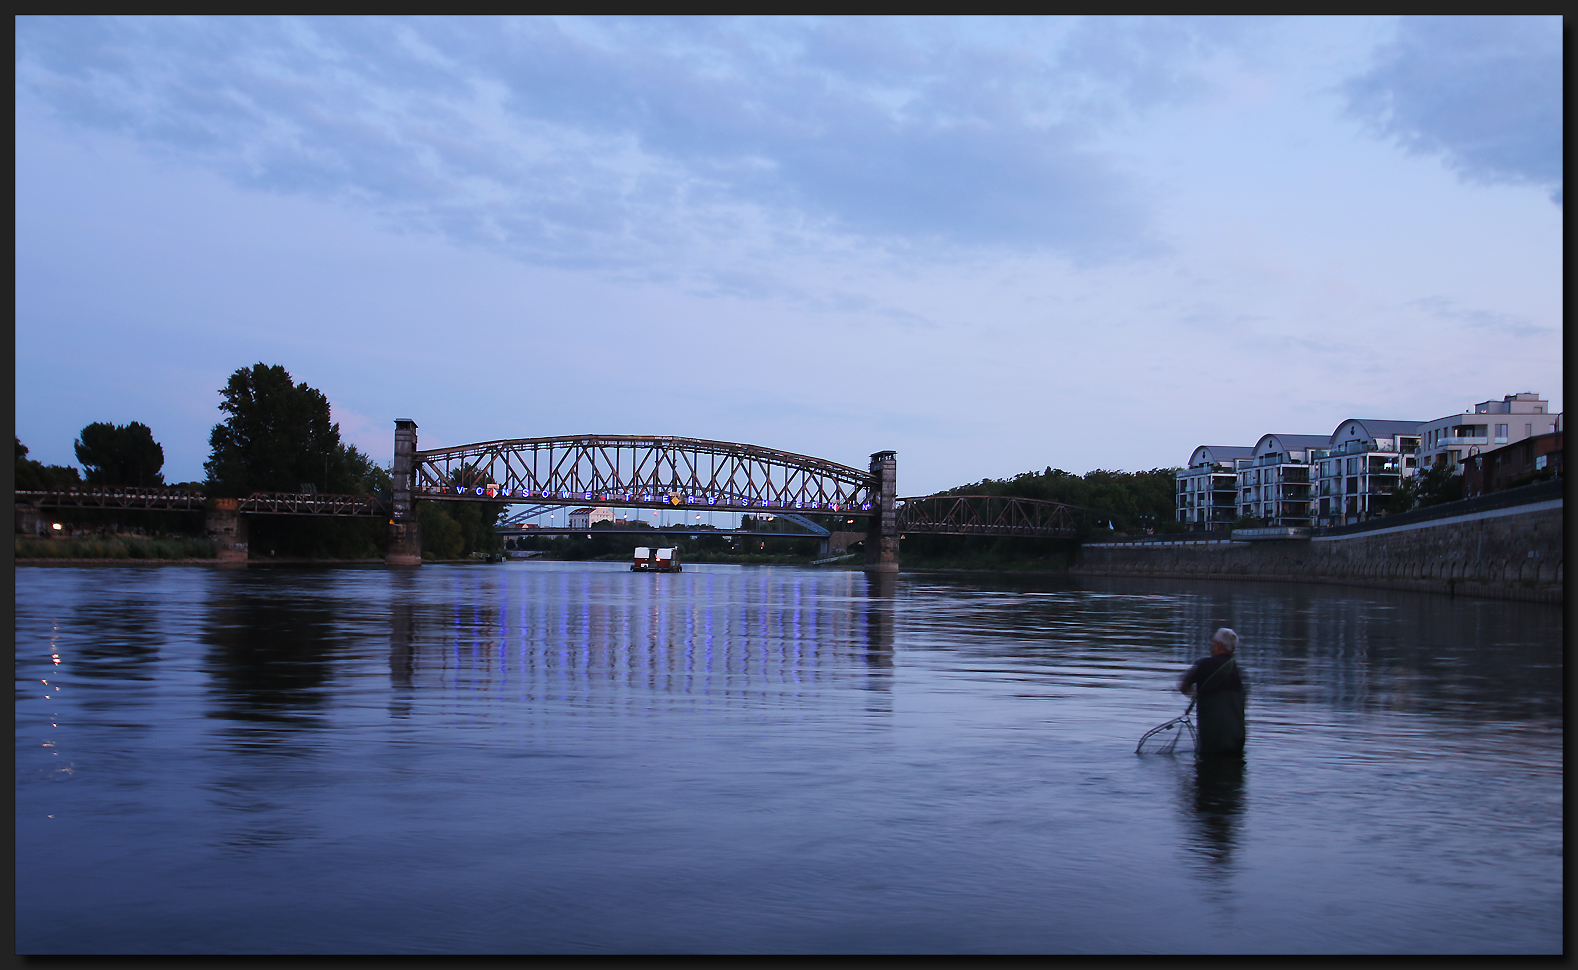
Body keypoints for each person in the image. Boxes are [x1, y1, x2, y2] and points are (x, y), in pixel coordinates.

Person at [1179, 627, 1247, 756]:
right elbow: (1245, 702)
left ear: (1218, 646)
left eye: (1212, 642)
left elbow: (1183, 686)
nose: (1210, 645)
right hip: (1237, 741)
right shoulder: (1239, 671)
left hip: (1212, 743)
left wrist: (1196, 694)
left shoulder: (1204, 664)